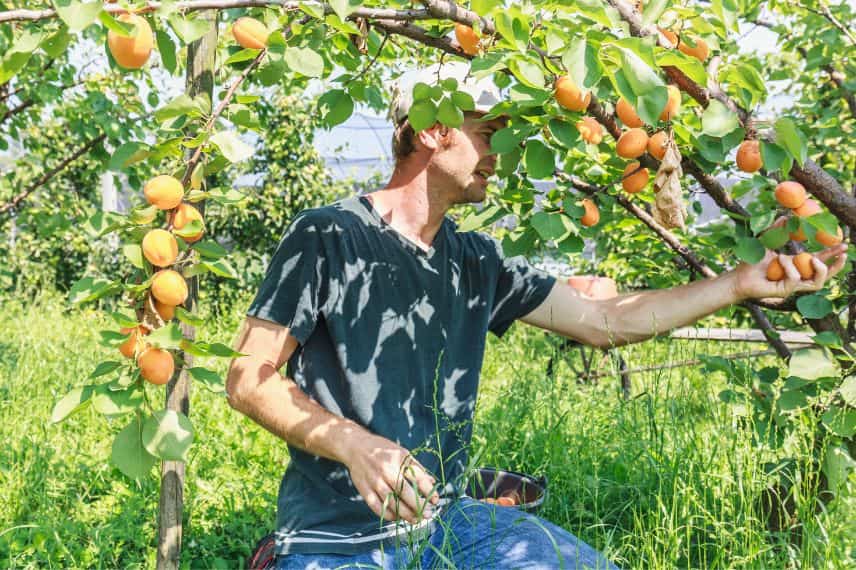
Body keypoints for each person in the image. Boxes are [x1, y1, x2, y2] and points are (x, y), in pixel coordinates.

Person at [226, 61, 848, 569]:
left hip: (446, 523)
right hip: (336, 542)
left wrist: (739, 284)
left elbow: (605, 322)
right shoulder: (327, 236)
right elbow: (246, 378)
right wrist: (354, 444)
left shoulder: (475, 260)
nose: (501, 148)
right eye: (488, 130)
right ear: (430, 130)